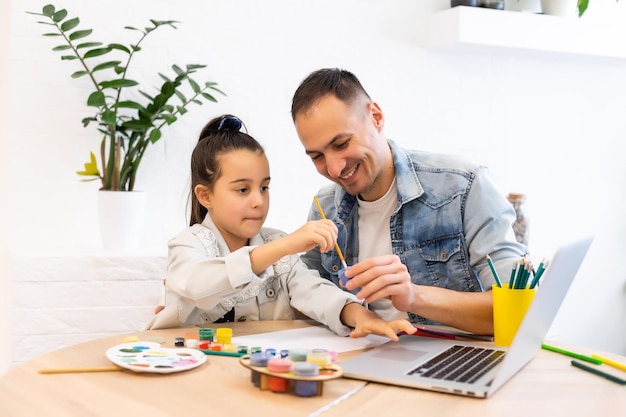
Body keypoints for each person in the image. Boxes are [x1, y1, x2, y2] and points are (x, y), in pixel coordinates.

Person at [290, 68, 528, 335]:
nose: (334, 169)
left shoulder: (463, 185)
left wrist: (414, 296)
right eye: (317, 156)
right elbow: (301, 294)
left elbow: (520, 313)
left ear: (376, 117)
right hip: (360, 360)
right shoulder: (326, 208)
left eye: (342, 143)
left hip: (450, 361)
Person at [145, 114, 415, 341]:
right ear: (206, 196)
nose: (257, 201)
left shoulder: (276, 247)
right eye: (242, 189)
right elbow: (197, 285)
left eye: (264, 187)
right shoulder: (189, 244)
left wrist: (362, 317)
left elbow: (314, 292)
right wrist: (285, 246)